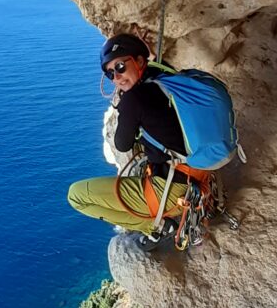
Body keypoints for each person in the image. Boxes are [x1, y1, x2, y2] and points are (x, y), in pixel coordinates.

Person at [67, 33, 189, 247]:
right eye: (110, 73)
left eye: (121, 67)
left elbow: (122, 144)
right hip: (199, 173)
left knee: (75, 195)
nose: (117, 77)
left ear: (140, 61)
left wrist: (126, 108)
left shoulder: (134, 99)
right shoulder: (166, 77)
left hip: (172, 189)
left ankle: (157, 226)